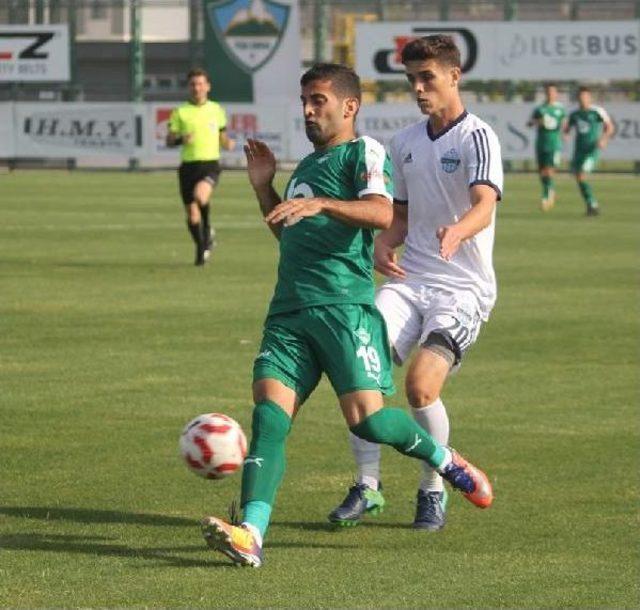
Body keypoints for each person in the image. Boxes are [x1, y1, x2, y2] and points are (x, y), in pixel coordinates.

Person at [200, 62, 493, 568]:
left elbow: (382, 213)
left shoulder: (365, 152)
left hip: (344, 310)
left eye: (318, 100)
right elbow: (291, 232)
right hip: (288, 312)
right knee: (269, 418)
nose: (309, 111)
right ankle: (251, 533)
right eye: (305, 102)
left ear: (349, 106)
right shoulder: (307, 169)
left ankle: (445, 461)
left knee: (370, 423)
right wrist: (264, 188)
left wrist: (322, 204)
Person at [328, 35, 503, 532]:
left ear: (454, 76)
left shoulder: (478, 137)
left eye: (428, 78)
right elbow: (399, 217)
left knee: (420, 388)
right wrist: (385, 244)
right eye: (412, 80)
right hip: (411, 280)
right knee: (355, 370)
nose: (419, 88)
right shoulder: (403, 143)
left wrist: (459, 230)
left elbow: (484, 203)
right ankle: (367, 485)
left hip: (462, 289)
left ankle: (433, 489)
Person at [166, 68, 235, 265]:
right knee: (192, 214)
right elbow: (169, 140)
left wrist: (227, 142)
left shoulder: (216, 109)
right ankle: (202, 244)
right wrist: (180, 139)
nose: (197, 87)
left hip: (210, 164)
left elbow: (222, 135)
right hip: (188, 167)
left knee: (200, 196)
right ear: (188, 87)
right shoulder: (180, 112)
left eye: (200, 83)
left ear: (208, 86)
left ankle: (206, 232)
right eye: (193, 84)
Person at [564, 86, 613, 217]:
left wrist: (603, 139)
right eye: (580, 97)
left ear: (589, 98)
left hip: (591, 150)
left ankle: (592, 204)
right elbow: (567, 128)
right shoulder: (575, 114)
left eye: (585, 97)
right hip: (579, 151)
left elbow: (609, 127)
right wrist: (566, 134)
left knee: (581, 175)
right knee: (578, 177)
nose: (583, 99)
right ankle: (591, 205)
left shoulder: (597, 111)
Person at [527, 83, 566, 211]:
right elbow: (529, 123)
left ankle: (546, 195)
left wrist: (565, 133)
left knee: (549, 170)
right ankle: (550, 190)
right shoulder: (540, 109)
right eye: (548, 92)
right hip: (541, 143)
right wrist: (538, 121)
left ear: (556, 94)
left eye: (553, 92)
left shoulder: (560, 109)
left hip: (554, 144)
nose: (550, 94)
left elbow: (565, 125)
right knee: (542, 171)